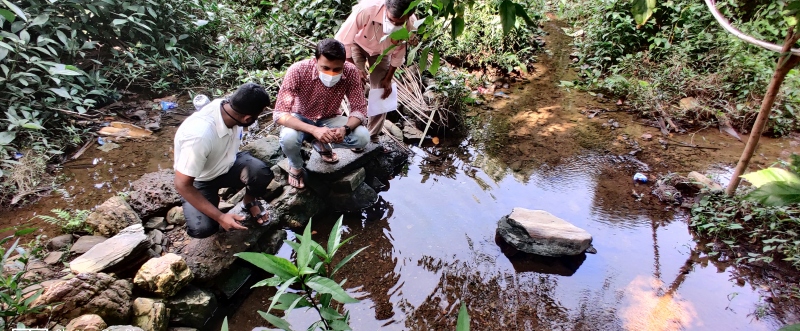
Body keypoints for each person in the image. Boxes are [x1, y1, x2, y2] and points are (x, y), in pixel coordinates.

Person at [173, 83, 273, 239]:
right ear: (247, 118)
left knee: (261, 173)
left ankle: (249, 201)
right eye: (256, 117)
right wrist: (220, 217)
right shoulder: (199, 136)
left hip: (228, 163)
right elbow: (182, 184)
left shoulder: (228, 108)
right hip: (201, 179)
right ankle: (213, 205)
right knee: (202, 229)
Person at [274, 38, 371, 189]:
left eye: (337, 69)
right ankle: (296, 165)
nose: (331, 74)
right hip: (300, 117)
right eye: (325, 68)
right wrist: (314, 130)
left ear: (344, 63)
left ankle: (320, 141)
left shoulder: (351, 71)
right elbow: (280, 114)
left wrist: (345, 129)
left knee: (362, 137)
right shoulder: (298, 70)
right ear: (315, 61)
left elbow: (359, 109)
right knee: (288, 138)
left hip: (329, 118)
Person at [335, 0, 417, 142]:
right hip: (357, 43)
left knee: (381, 91)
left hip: (383, 52)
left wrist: (389, 78)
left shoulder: (411, 23)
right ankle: (353, 130)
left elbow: (399, 53)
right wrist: (354, 69)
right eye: (392, 20)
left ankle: (371, 135)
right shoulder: (366, 9)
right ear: (386, 8)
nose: (395, 25)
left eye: (400, 23)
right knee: (355, 84)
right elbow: (343, 40)